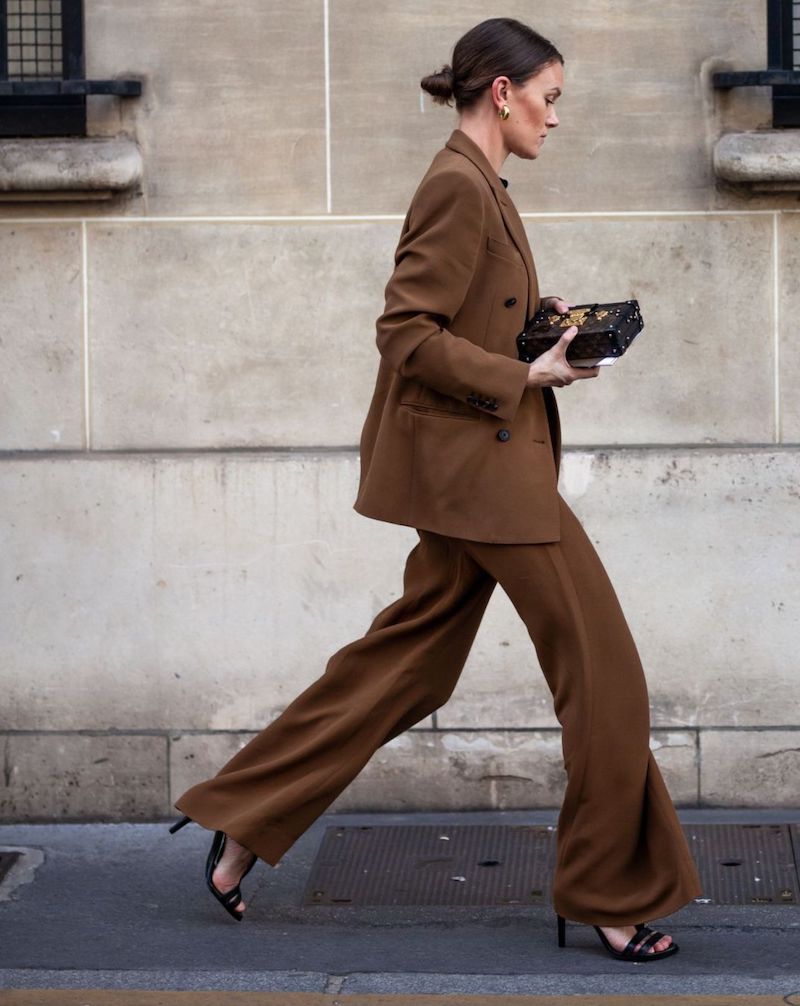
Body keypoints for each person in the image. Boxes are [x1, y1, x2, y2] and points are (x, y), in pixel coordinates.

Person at [169, 17, 702, 962]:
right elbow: (406, 333)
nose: (555, 118)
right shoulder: (457, 184)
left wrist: (538, 330)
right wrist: (524, 377)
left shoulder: (481, 183)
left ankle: (243, 819)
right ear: (502, 92)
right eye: (550, 98)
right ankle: (608, 893)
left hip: (479, 473)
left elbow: (466, 317)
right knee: (607, 680)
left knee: (410, 663)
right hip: (488, 475)